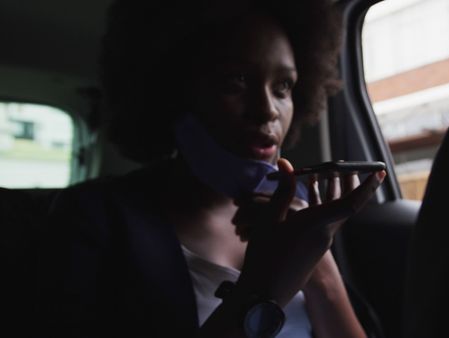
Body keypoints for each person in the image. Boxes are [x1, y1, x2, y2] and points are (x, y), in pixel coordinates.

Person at [35, 0, 386, 337]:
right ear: (170, 91)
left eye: (283, 87)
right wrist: (268, 286)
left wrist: (319, 267)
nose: (267, 111)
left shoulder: (303, 209)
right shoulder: (95, 216)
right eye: (235, 81)